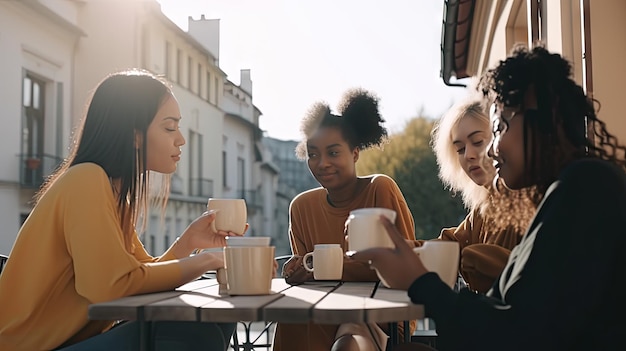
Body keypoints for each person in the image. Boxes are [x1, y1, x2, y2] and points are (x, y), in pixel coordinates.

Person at [351, 44, 626, 350]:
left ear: (545, 120)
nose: (490, 151)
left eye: (499, 127)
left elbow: (516, 337)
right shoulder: (570, 192)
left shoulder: (586, 188)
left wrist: (421, 285)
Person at [0, 70, 238, 351]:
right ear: (134, 136)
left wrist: (188, 244)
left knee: (217, 317)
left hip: (74, 342)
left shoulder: (112, 194)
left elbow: (138, 275)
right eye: (169, 127)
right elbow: (109, 287)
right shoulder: (86, 179)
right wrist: (206, 261)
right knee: (192, 329)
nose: (181, 140)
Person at [273, 89, 416, 351]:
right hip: (321, 311)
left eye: (333, 152)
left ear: (355, 153)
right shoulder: (302, 207)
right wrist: (297, 271)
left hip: (377, 315)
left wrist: (321, 270)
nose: (322, 163)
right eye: (313, 154)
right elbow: (309, 277)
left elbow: (404, 266)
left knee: (348, 340)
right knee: (290, 320)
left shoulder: (379, 189)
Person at [429, 95, 537, 293]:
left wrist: (473, 258)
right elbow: (449, 244)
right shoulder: (483, 207)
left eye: (477, 142)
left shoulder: (531, 199)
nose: (468, 155)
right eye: (460, 149)